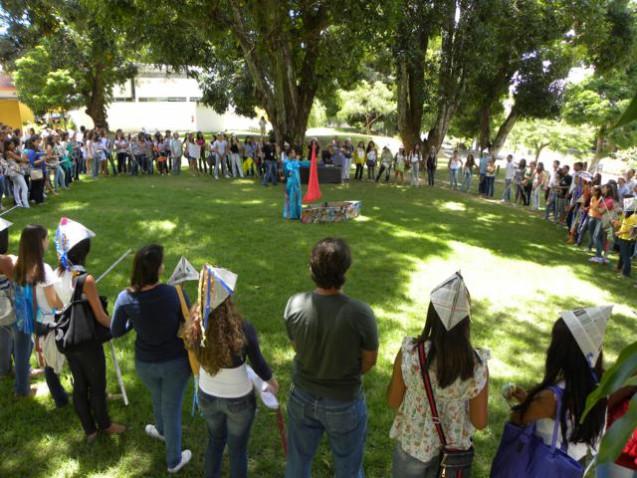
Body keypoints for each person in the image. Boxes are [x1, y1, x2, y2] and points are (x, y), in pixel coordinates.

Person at [284, 238, 378, 478]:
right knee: (348, 468)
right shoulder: (360, 313)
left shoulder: (295, 305)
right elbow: (368, 361)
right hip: (344, 402)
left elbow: (298, 347)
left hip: (301, 397)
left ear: (311, 269)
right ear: (345, 270)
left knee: (297, 463)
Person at [387, 272, 489, 477]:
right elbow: (479, 421)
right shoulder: (476, 366)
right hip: (452, 455)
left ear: (432, 314)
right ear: (466, 320)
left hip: (412, 446)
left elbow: (393, 400)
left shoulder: (410, 353)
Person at [184, 265, 279, 478]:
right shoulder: (243, 327)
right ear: (227, 298)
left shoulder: (195, 325)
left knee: (215, 442)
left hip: (207, 395)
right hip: (238, 399)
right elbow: (259, 363)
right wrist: (271, 381)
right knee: (237, 450)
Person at [111, 245, 192, 473]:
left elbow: (116, 330)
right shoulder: (174, 292)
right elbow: (187, 322)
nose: (165, 265)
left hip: (145, 365)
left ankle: (162, 431)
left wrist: (133, 322)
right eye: (162, 262)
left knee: (159, 397)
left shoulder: (125, 298)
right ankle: (174, 460)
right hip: (176, 362)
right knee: (171, 408)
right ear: (157, 268)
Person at [505, 306, 611, 466]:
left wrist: (529, 404)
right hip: (572, 464)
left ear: (562, 351)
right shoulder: (599, 386)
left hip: (542, 467)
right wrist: (530, 400)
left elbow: (518, 418)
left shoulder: (552, 396)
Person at [54, 218, 125, 441]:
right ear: (83, 251)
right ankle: (104, 425)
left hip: (67, 338)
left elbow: (59, 307)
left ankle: (89, 431)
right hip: (87, 341)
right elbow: (101, 317)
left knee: (79, 385)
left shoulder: (57, 275)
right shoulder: (86, 279)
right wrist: (120, 324)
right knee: (97, 385)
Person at [14, 224, 68, 406]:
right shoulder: (43, 269)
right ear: (39, 243)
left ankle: (60, 396)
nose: (47, 242)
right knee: (54, 362)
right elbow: (54, 301)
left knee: (48, 360)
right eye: (46, 239)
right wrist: (67, 303)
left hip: (34, 319)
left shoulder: (20, 266)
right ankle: (63, 398)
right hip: (49, 320)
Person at [0, 219, 16, 379]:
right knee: (6, 336)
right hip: (5, 303)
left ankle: (5, 368)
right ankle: (5, 370)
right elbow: (15, 280)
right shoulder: (4, 260)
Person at [282, 146, 310, 220]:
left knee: (298, 199)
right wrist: (290, 171)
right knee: (291, 199)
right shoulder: (286, 162)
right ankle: (291, 215)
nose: (294, 154)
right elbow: (286, 173)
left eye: (294, 152)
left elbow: (305, 164)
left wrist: (312, 161)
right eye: (293, 152)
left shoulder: (296, 161)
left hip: (297, 183)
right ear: (290, 154)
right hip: (291, 183)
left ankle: (298, 214)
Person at [613, 197, 637, 277]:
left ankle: (626, 273)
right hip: (623, 237)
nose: (624, 207)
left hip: (627, 239)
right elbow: (623, 224)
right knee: (622, 254)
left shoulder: (634, 217)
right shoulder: (626, 214)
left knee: (625, 256)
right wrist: (616, 223)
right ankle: (619, 268)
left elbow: (631, 230)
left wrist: (619, 232)